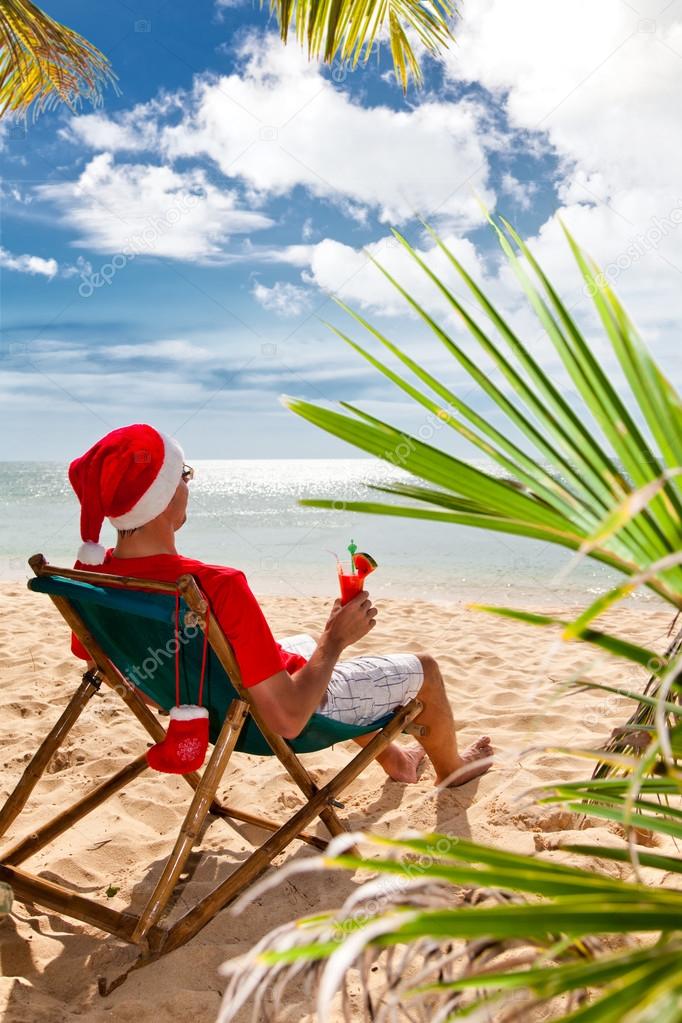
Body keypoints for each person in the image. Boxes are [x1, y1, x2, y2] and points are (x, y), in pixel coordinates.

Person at [68, 424, 493, 787]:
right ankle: (452, 769)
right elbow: (289, 719)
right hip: (265, 722)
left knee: (301, 644)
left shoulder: (94, 578)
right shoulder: (216, 585)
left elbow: (100, 658)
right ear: (159, 495)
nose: (187, 483)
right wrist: (336, 639)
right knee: (426, 669)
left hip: (203, 709)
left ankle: (396, 760)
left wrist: (167, 688)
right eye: (182, 474)